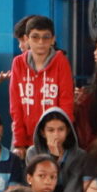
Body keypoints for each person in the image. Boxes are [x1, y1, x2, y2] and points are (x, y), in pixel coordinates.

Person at [9, 16, 73, 157]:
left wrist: (60, 138)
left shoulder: (61, 62)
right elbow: (16, 105)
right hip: (24, 139)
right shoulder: (18, 63)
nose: (40, 42)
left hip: (54, 138)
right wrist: (19, 142)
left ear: (53, 40)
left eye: (46, 37)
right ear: (26, 39)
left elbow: (66, 102)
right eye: (35, 37)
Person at [27, 108, 84, 192]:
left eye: (61, 129)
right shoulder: (33, 153)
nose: (56, 135)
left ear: (68, 131)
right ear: (42, 133)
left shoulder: (79, 155)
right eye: (51, 130)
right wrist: (53, 158)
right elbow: (39, 188)